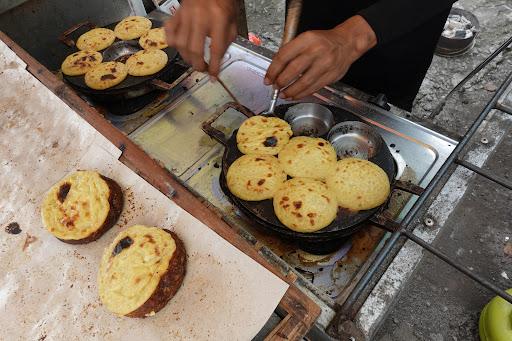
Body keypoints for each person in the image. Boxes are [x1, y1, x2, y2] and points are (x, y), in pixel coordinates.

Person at [165, 0, 455, 111]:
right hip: (317, 9)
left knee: (376, 103)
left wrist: (353, 38)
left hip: (395, 23)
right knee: (307, 65)